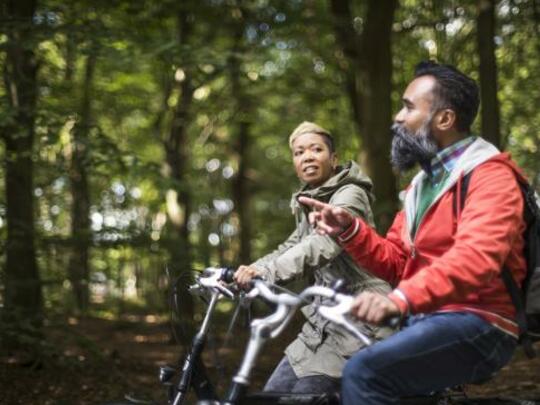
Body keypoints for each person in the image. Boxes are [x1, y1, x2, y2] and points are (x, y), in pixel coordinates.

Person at [298, 61, 527, 404]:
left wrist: (399, 299)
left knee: (365, 372)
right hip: (425, 318)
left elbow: (477, 259)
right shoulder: (424, 184)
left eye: (408, 107)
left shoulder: (490, 177)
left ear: (444, 119)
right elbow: (399, 262)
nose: (398, 118)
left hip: (480, 321)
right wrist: (350, 231)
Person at [233, 121, 393, 395]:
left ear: (333, 159)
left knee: (305, 396)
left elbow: (322, 245)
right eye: (298, 152)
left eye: (315, 149)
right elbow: (294, 244)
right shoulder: (309, 200)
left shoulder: (349, 194)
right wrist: (253, 269)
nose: (307, 156)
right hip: (322, 323)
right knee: (272, 394)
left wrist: (268, 273)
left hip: (360, 317)